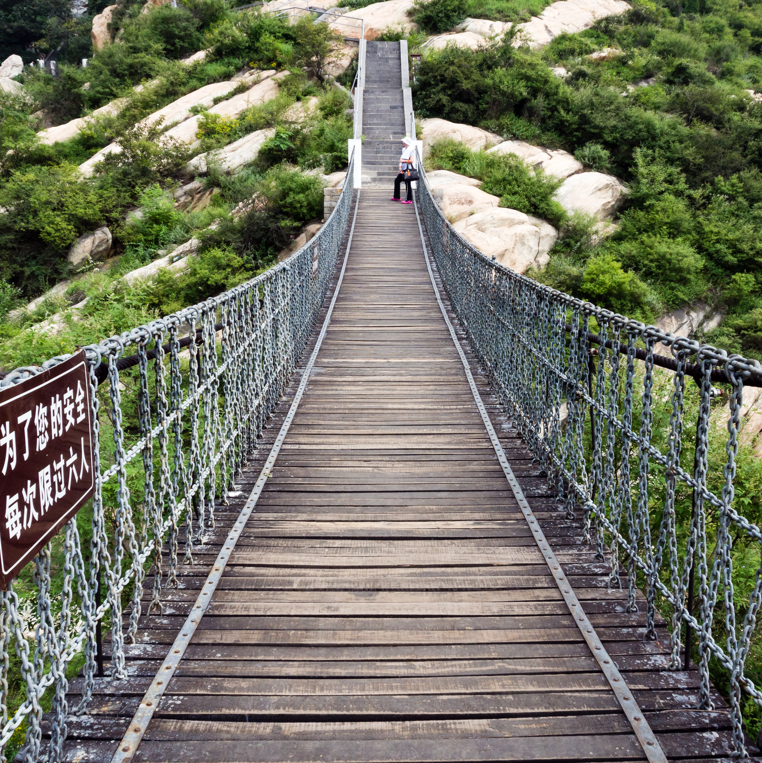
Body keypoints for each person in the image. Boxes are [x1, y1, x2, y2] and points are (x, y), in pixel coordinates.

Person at [392, 137, 416, 204]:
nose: (403, 142)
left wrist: (403, 161)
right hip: (403, 169)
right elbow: (401, 160)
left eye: (404, 141)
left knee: (407, 183)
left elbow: (412, 160)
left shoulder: (411, 150)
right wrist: (400, 168)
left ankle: (409, 199)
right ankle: (397, 197)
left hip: (407, 169)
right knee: (397, 180)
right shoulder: (404, 150)